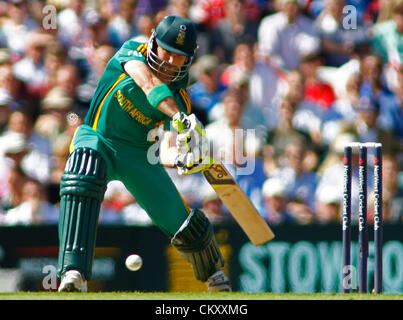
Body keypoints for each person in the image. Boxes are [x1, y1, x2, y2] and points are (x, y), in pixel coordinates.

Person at [57, 15, 231, 293]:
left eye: (181, 56)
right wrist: (179, 116)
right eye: (169, 52)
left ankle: (215, 277)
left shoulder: (181, 97)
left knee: (187, 226)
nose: (173, 62)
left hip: (139, 155)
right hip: (98, 137)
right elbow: (148, 84)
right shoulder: (130, 53)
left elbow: (164, 148)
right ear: (153, 43)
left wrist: (182, 158)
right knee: (83, 171)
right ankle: (74, 272)